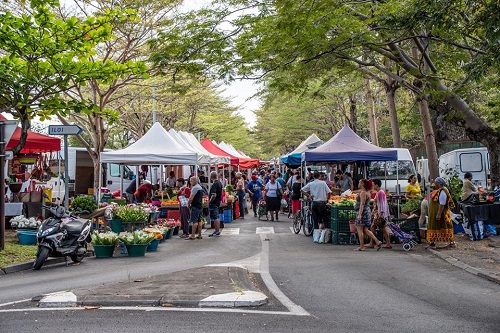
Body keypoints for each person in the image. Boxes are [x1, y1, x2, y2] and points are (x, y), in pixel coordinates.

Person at [426, 177, 456, 249]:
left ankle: (451, 242)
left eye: (435, 183)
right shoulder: (440, 190)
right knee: (435, 226)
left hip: (441, 214)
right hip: (436, 213)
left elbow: (442, 203)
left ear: (439, 184)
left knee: (443, 226)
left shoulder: (443, 191)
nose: (434, 184)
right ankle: (432, 242)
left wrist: (439, 214)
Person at [354, 179, 382, 251]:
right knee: (365, 230)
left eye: (359, 182)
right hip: (367, 211)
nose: (358, 184)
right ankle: (377, 241)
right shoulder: (367, 192)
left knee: (359, 229)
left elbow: (362, 204)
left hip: (363, 212)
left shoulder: (363, 192)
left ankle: (361, 246)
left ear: (362, 184)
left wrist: (359, 214)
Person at [365, 179, 392, 249]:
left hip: (380, 214)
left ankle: (372, 243)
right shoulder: (380, 192)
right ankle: (388, 243)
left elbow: (382, 204)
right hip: (380, 213)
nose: (373, 186)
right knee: (382, 228)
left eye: (374, 185)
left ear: (377, 185)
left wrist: (381, 213)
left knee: (373, 227)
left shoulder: (380, 193)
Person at [208, 171, 223, 237]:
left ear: (211, 177)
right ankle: (216, 231)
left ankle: (217, 231)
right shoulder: (219, 183)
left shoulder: (214, 184)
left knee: (215, 217)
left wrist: (210, 201)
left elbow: (214, 195)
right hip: (217, 202)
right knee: (216, 217)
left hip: (214, 202)